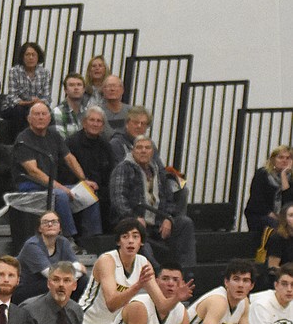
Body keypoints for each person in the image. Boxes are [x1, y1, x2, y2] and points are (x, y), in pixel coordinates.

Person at [12, 101, 101, 239]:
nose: (40, 117)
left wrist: (84, 180)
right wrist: (61, 188)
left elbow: (70, 158)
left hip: (51, 185)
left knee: (89, 194)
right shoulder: (23, 139)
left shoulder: (54, 135)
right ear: (29, 119)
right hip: (29, 185)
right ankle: (68, 237)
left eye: (44, 114)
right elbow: (33, 172)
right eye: (36, 114)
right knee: (60, 195)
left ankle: (92, 239)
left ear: (49, 118)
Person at [109, 136, 196, 267]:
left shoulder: (159, 171)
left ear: (152, 152)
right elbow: (118, 199)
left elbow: (169, 198)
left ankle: (187, 270)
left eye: (147, 148)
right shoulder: (123, 168)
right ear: (133, 151)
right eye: (139, 147)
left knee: (185, 223)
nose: (143, 151)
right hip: (133, 221)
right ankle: (157, 272)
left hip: (158, 221)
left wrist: (168, 218)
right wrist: (134, 218)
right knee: (136, 234)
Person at [14, 211, 85, 304]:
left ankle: (77, 312)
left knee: (82, 281)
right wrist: (72, 274)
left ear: (59, 227)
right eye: (45, 222)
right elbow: (50, 274)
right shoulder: (32, 245)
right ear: (40, 228)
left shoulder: (63, 242)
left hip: (48, 283)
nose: (50, 224)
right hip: (26, 288)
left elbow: (80, 266)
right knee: (58, 284)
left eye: (54, 222)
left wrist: (72, 275)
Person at [67, 106, 117, 231]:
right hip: (76, 187)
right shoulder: (72, 143)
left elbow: (111, 172)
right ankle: (92, 240)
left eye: (99, 121)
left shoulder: (106, 145)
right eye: (92, 120)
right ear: (84, 123)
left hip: (101, 189)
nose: (95, 124)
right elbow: (66, 171)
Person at [1, 41, 51, 133]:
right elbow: (12, 97)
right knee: (20, 112)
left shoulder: (45, 73)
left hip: (36, 106)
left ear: (38, 57)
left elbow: (47, 98)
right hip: (17, 107)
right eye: (27, 55)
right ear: (22, 57)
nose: (30, 58)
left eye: (33, 55)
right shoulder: (14, 71)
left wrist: (39, 102)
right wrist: (27, 102)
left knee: (45, 113)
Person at [245, 145, 293, 232]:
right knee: (278, 227)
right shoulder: (263, 174)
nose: (284, 161)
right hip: (261, 214)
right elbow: (257, 200)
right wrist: (276, 217)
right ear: (273, 160)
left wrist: (283, 176)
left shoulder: (290, 178)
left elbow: (288, 202)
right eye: (281, 157)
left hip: (283, 217)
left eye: (288, 158)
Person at [51, 73, 87, 140]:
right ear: (65, 90)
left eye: (79, 85)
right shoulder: (58, 112)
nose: (76, 88)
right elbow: (60, 140)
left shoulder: (87, 112)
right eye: (71, 85)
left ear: (84, 89)